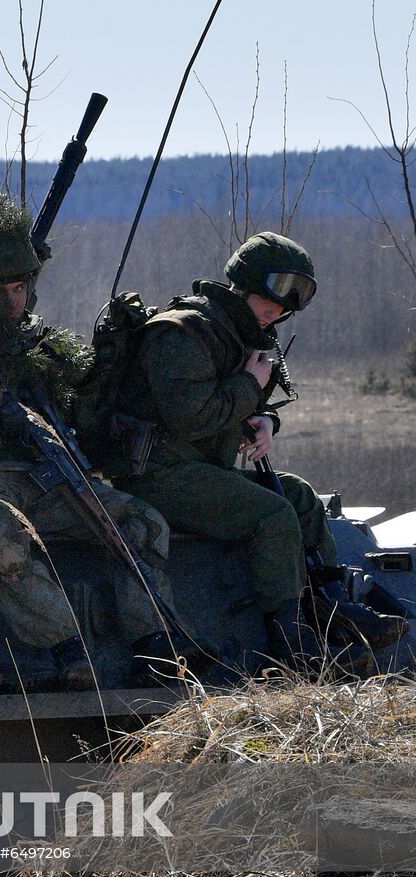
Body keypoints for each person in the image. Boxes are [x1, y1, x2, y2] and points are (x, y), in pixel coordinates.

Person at [0, 195, 182, 689]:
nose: (15, 299)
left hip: (39, 477)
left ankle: (154, 645)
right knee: (5, 538)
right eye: (4, 288)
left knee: (138, 522)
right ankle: (62, 649)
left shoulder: (30, 343)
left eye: (21, 286)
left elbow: (76, 407)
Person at [105, 230, 406, 664]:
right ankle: (292, 644)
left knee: (299, 496)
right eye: (273, 299)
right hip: (156, 474)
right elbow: (192, 418)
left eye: (288, 305)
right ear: (244, 285)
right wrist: (250, 386)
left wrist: (265, 419)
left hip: (199, 470)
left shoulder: (238, 334)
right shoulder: (182, 333)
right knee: (271, 513)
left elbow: (244, 404)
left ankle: (334, 609)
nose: (278, 311)